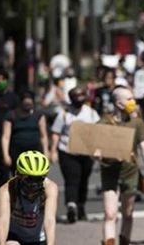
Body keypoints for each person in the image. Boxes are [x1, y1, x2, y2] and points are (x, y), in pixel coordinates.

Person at [96, 86, 144, 245]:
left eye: (132, 98)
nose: (133, 102)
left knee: (128, 213)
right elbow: (94, 145)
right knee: (110, 213)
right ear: (118, 103)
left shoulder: (137, 123)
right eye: (129, 99)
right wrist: (96, 152)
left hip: (130, 172)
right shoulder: (103, 122)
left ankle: (124, 240)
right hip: (110, 172)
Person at [49, 87, 100, 223]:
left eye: (81, 95)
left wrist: (98, 149)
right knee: (72, 178)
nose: (79, 99)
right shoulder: (64, 114)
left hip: (87, 153)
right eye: (75, 96)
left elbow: (98, 131)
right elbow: (56, 133)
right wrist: (53, 150)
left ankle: (81, 206)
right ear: (71, 99)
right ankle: (71, 205)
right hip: (67, 151)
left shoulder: (91, 113)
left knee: (84, 180)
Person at [0, 151, 58, 245]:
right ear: (19, 175)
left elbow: (50, 220)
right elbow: (3, 221)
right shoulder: (7, 190)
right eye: (29, 178)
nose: (34, 184)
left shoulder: (50, 188)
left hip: (38, 239)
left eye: (39, 179)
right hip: (14, 236)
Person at [1, 91, 49, 173]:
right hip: (16, 153)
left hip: (35, 153)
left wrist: (46, 152)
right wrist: (6, 155)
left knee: (35, 175)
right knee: (18, 177)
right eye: (25, 103)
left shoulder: (39, 115)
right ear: (20, 103)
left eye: (30, 103)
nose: (28, 106)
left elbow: (43, 136)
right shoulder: (11, 115)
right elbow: (5, 137)